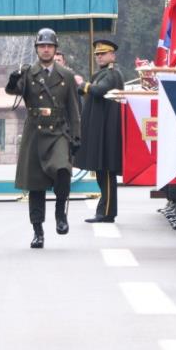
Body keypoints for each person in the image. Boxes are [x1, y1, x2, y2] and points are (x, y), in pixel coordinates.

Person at [5, 28, 80, 248]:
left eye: (49, 46)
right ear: (37, 49)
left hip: (58, 130)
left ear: (55, 48)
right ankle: (38, 231)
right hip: (35, 131)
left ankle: (60, 214)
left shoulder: (65, 74)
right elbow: (13, 91)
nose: (46, 49)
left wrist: (76, 136)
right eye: (42, 46)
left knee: (63, 170)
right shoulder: (28, 72)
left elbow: (74, 109)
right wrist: (13, 79)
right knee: (35, 184)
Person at [74, 39, 124, 224]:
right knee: (102, 173)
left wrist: (81, 83)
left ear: (113, 55)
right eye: (97, 54)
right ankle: (104, 210)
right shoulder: (102, 74)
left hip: (108, 133)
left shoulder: (111, 74)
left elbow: (99, 91)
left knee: (107, 173)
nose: (99, 57)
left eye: (103, 53)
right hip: (101, 131)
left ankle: (107, 212)